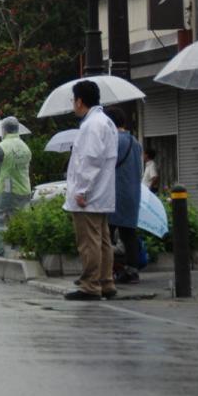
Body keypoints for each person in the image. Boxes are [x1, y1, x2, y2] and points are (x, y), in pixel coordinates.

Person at [63, 80, 120, 302]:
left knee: (89, 242)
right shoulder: (106, 122)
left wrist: (82, 190)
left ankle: (90, 285)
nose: (73, 104)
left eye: (73, 100)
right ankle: (106, 282)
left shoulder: (92, 125)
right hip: (102, 192)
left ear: (79, 101)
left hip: (89, 195)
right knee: (103, 240)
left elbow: (90, 159)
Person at [104, 107, 143, 284]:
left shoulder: (115, 141)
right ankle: (132, 271)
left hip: (116, 193)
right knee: (129, 233)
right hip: (133, 192)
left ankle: (105, 271)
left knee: (106, 233)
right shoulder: (135, 141)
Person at [0, 117, 32, 257]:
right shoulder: (25, 147)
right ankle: (22, 250)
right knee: (21, 220)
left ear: (4, 130)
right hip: (24, 188)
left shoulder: (0, 147)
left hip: (5, 188)